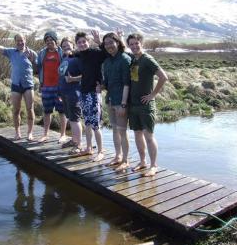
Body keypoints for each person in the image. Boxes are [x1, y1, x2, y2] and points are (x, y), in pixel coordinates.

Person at [126, 33, 168, 176]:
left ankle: (154, 165)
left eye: (136, 43)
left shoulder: (147, 59)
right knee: (137, 134)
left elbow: (163, 77)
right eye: (131, 44)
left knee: (148, 135)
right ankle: (143, 161)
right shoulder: (133, 59)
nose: (134, 46)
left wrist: (152, 95)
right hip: (133, 104)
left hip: (145, 105)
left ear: (141, 43)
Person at [0, 26, 36, 141]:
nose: (20, 42)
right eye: (17, 40)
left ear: (25, 40)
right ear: (15, 42)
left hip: (28, 85)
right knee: (16, 110)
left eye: (21, 40)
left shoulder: (31, 52)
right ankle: (17, 133)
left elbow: (38, 65)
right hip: (16, 85)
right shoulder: (11, 52)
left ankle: (30, 133)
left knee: (30, 109)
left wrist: (32, 58)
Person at [71, 31, 107, 161]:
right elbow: (71, 54)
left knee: (96, 124)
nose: (82, 44)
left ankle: (101, 150)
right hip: (84, 92)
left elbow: (106, 53)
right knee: (87, 123)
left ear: (88, 42)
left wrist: (99, 41)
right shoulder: (79, 55)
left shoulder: (95, 53)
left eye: (84, 41)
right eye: (79, 42)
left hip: (94, 92)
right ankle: (89, 148)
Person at [102, 32, 131, 170]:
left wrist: (124, 104)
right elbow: (106, 83)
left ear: (118, 43)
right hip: (110, 100)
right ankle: (118, 156)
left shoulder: (125, 59)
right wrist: (100, 86)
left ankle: (125, 160)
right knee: (114, 129)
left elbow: (127, 83)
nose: (109, 46)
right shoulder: (107, 62)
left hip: (121, 101)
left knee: (122, 131)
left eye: (111, 43)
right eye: (106, 44)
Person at [36, 31, 67, 143]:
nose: (49, 42)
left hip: (59, 87)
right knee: (47, 112)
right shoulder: (42, 53)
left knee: (62, 111)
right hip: (46, 87)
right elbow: (38, 66)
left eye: (51, 40)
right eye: (47, 41)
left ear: (55, 41)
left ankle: (63, 134)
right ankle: (45, 134)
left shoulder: (62, 52)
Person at [58, 37, 83, 154]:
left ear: (73, 45)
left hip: (74, 93)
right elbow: (62, 76)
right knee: (71, 118)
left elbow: (86, 74)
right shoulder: (64, 58)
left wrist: (73, 79)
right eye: (63, 46)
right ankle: (74, 140)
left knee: (75, 119)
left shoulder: (78, 57)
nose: (66, 48)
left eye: (68, 45)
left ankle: (79, 145)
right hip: (65, 93)